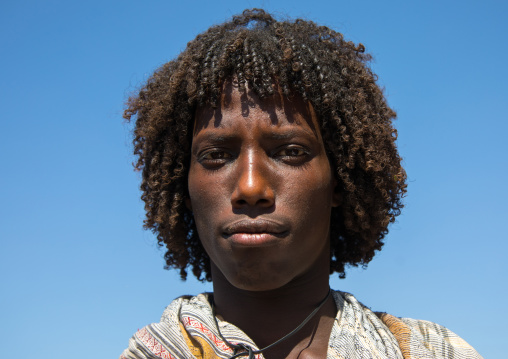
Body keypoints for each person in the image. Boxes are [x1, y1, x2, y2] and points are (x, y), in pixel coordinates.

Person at [120, 9, 481, 359]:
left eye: (290, 152)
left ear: (339, 181)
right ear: (184, 188)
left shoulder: (431, 351)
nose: (250, 187)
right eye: (216, 155)